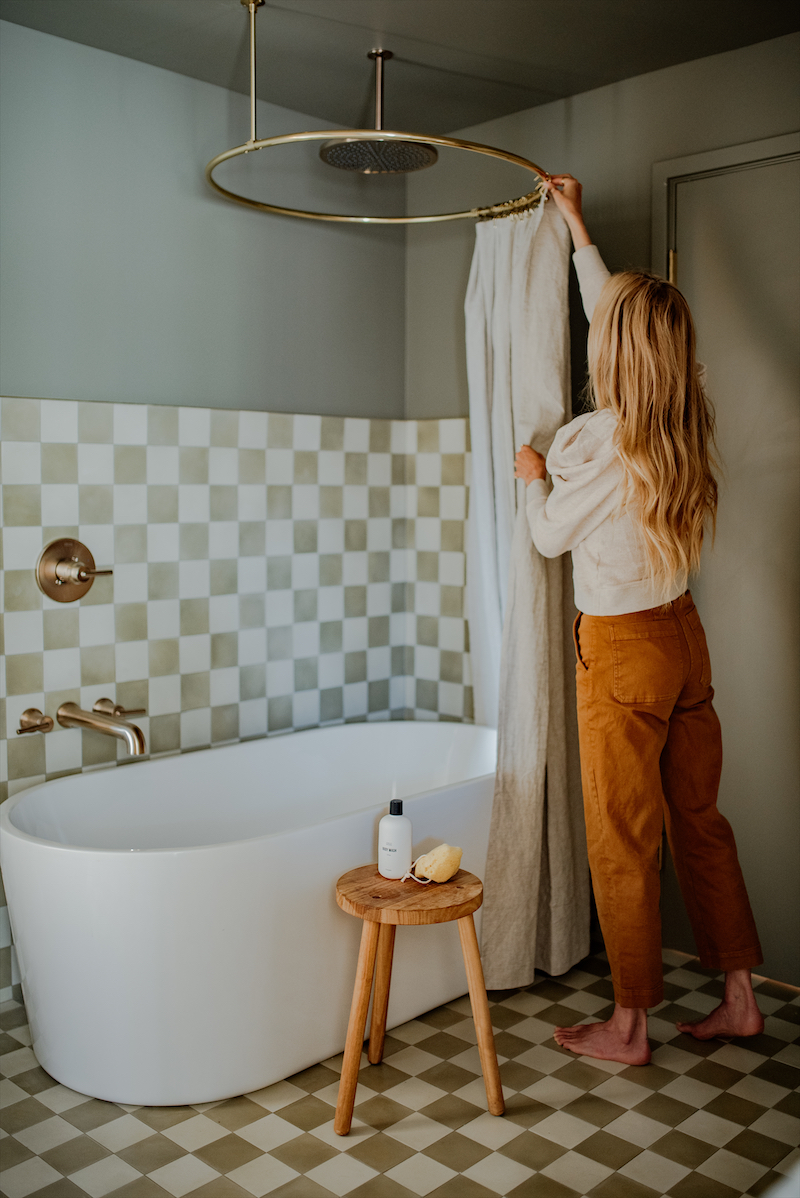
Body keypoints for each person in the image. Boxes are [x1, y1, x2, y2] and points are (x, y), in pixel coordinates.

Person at [514, 175, 764, 1065]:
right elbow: (621, 313)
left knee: (623, 840)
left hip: (620, 651)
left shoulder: (597, 443)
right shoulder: (681, 415)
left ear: (615, 353)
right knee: (700, 820)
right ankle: (740, 997)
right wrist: (576, 227)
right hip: (682, 638)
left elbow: (546, 538)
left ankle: (629, 1025)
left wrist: (533, 470)